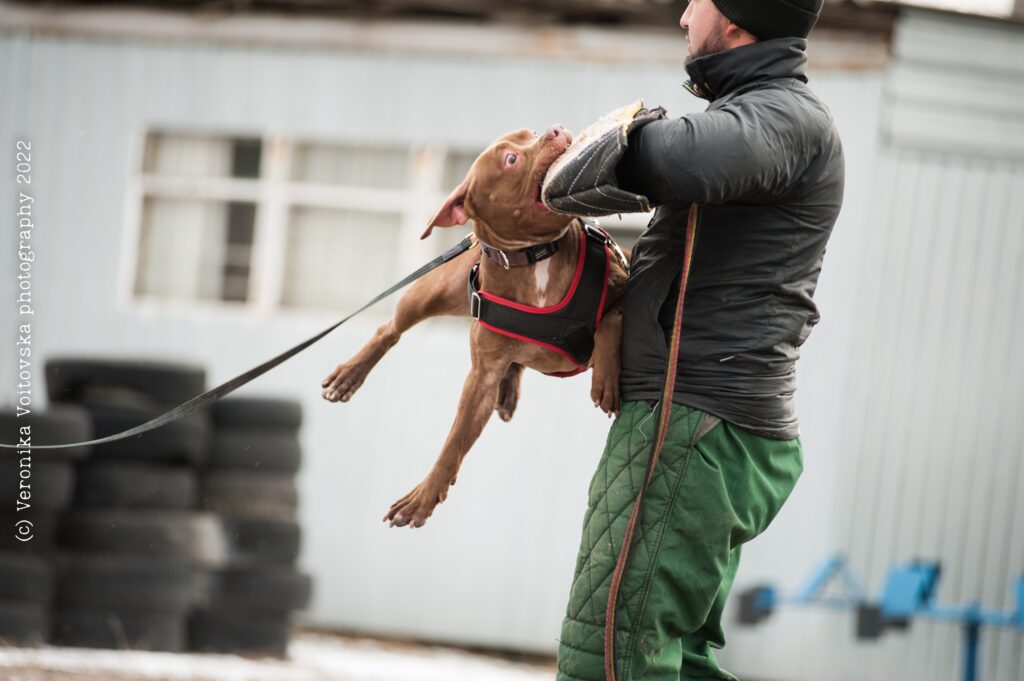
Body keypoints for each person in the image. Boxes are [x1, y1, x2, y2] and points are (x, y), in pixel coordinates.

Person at [540, 0, 844, 679]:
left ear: (737, 17)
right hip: (697, 425)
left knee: (609, 656)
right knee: (673, 660)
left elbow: (676, 157)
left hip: (694, 426)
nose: (683, 16)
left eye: (698, 1)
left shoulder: (784, 117)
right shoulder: (760, 112)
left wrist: (608, 138)